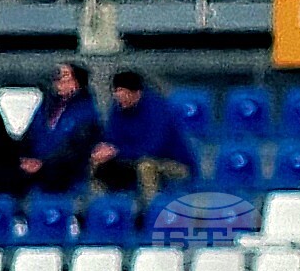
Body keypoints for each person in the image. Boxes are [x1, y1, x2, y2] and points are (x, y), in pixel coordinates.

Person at [89, 69, 195, 198]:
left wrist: (117, 151)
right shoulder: (119, 108)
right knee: (98, 162)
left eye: (123, 93)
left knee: (146, 166)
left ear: (136, 93)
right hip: (131, 159)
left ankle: (150, 210)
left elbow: (153, 148)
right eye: (116, 93)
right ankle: (98, 208)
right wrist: (104, 150)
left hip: (173, 163)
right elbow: (112, 137)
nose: (118, 98)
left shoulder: (157, 110)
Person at [17, 62, 104, 194]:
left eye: (66, 78)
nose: (60, 83)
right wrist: (22, 157)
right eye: (58, 79)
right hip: (38, 174)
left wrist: (44, 163)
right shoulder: (46, 107)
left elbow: (76, 146)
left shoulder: (87, 111)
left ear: (78, 82)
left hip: (68, 176)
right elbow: (30, 135)